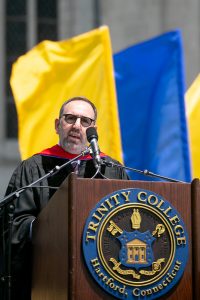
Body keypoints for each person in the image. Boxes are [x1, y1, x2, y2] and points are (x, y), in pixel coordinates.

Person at [1, 96, 129, 300]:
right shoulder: (34, 168)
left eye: (85, 121)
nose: (77, 126)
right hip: (47, 281)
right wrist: (51, 225)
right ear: (57, 125)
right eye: (70, 118)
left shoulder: (111, 170)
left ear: (93, 129)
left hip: (101, 281)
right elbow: (14, 225)